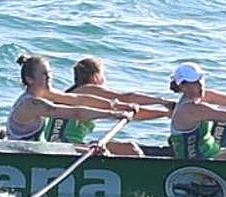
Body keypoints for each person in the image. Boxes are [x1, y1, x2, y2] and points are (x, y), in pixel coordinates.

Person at [43, 57, 173, 155]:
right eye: (104, 75)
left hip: (62, 145)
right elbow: (126, 98)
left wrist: (164, 113)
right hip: (65, 147)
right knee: (131, 149)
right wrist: (163, 102)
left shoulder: (75, 93)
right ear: (95, 77)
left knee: (127, 147)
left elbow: (132, 113)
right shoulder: (89, 90)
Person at [5, 55, 133, 143]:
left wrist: (117, 105)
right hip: (28, 156)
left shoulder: (44, 93)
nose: (49, 77)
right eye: (44, 74)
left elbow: (79, 99)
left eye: (50, 73)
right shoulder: (31, 104)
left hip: (39, 150)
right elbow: (75, 113)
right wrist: (113, 114)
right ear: (29, 79)